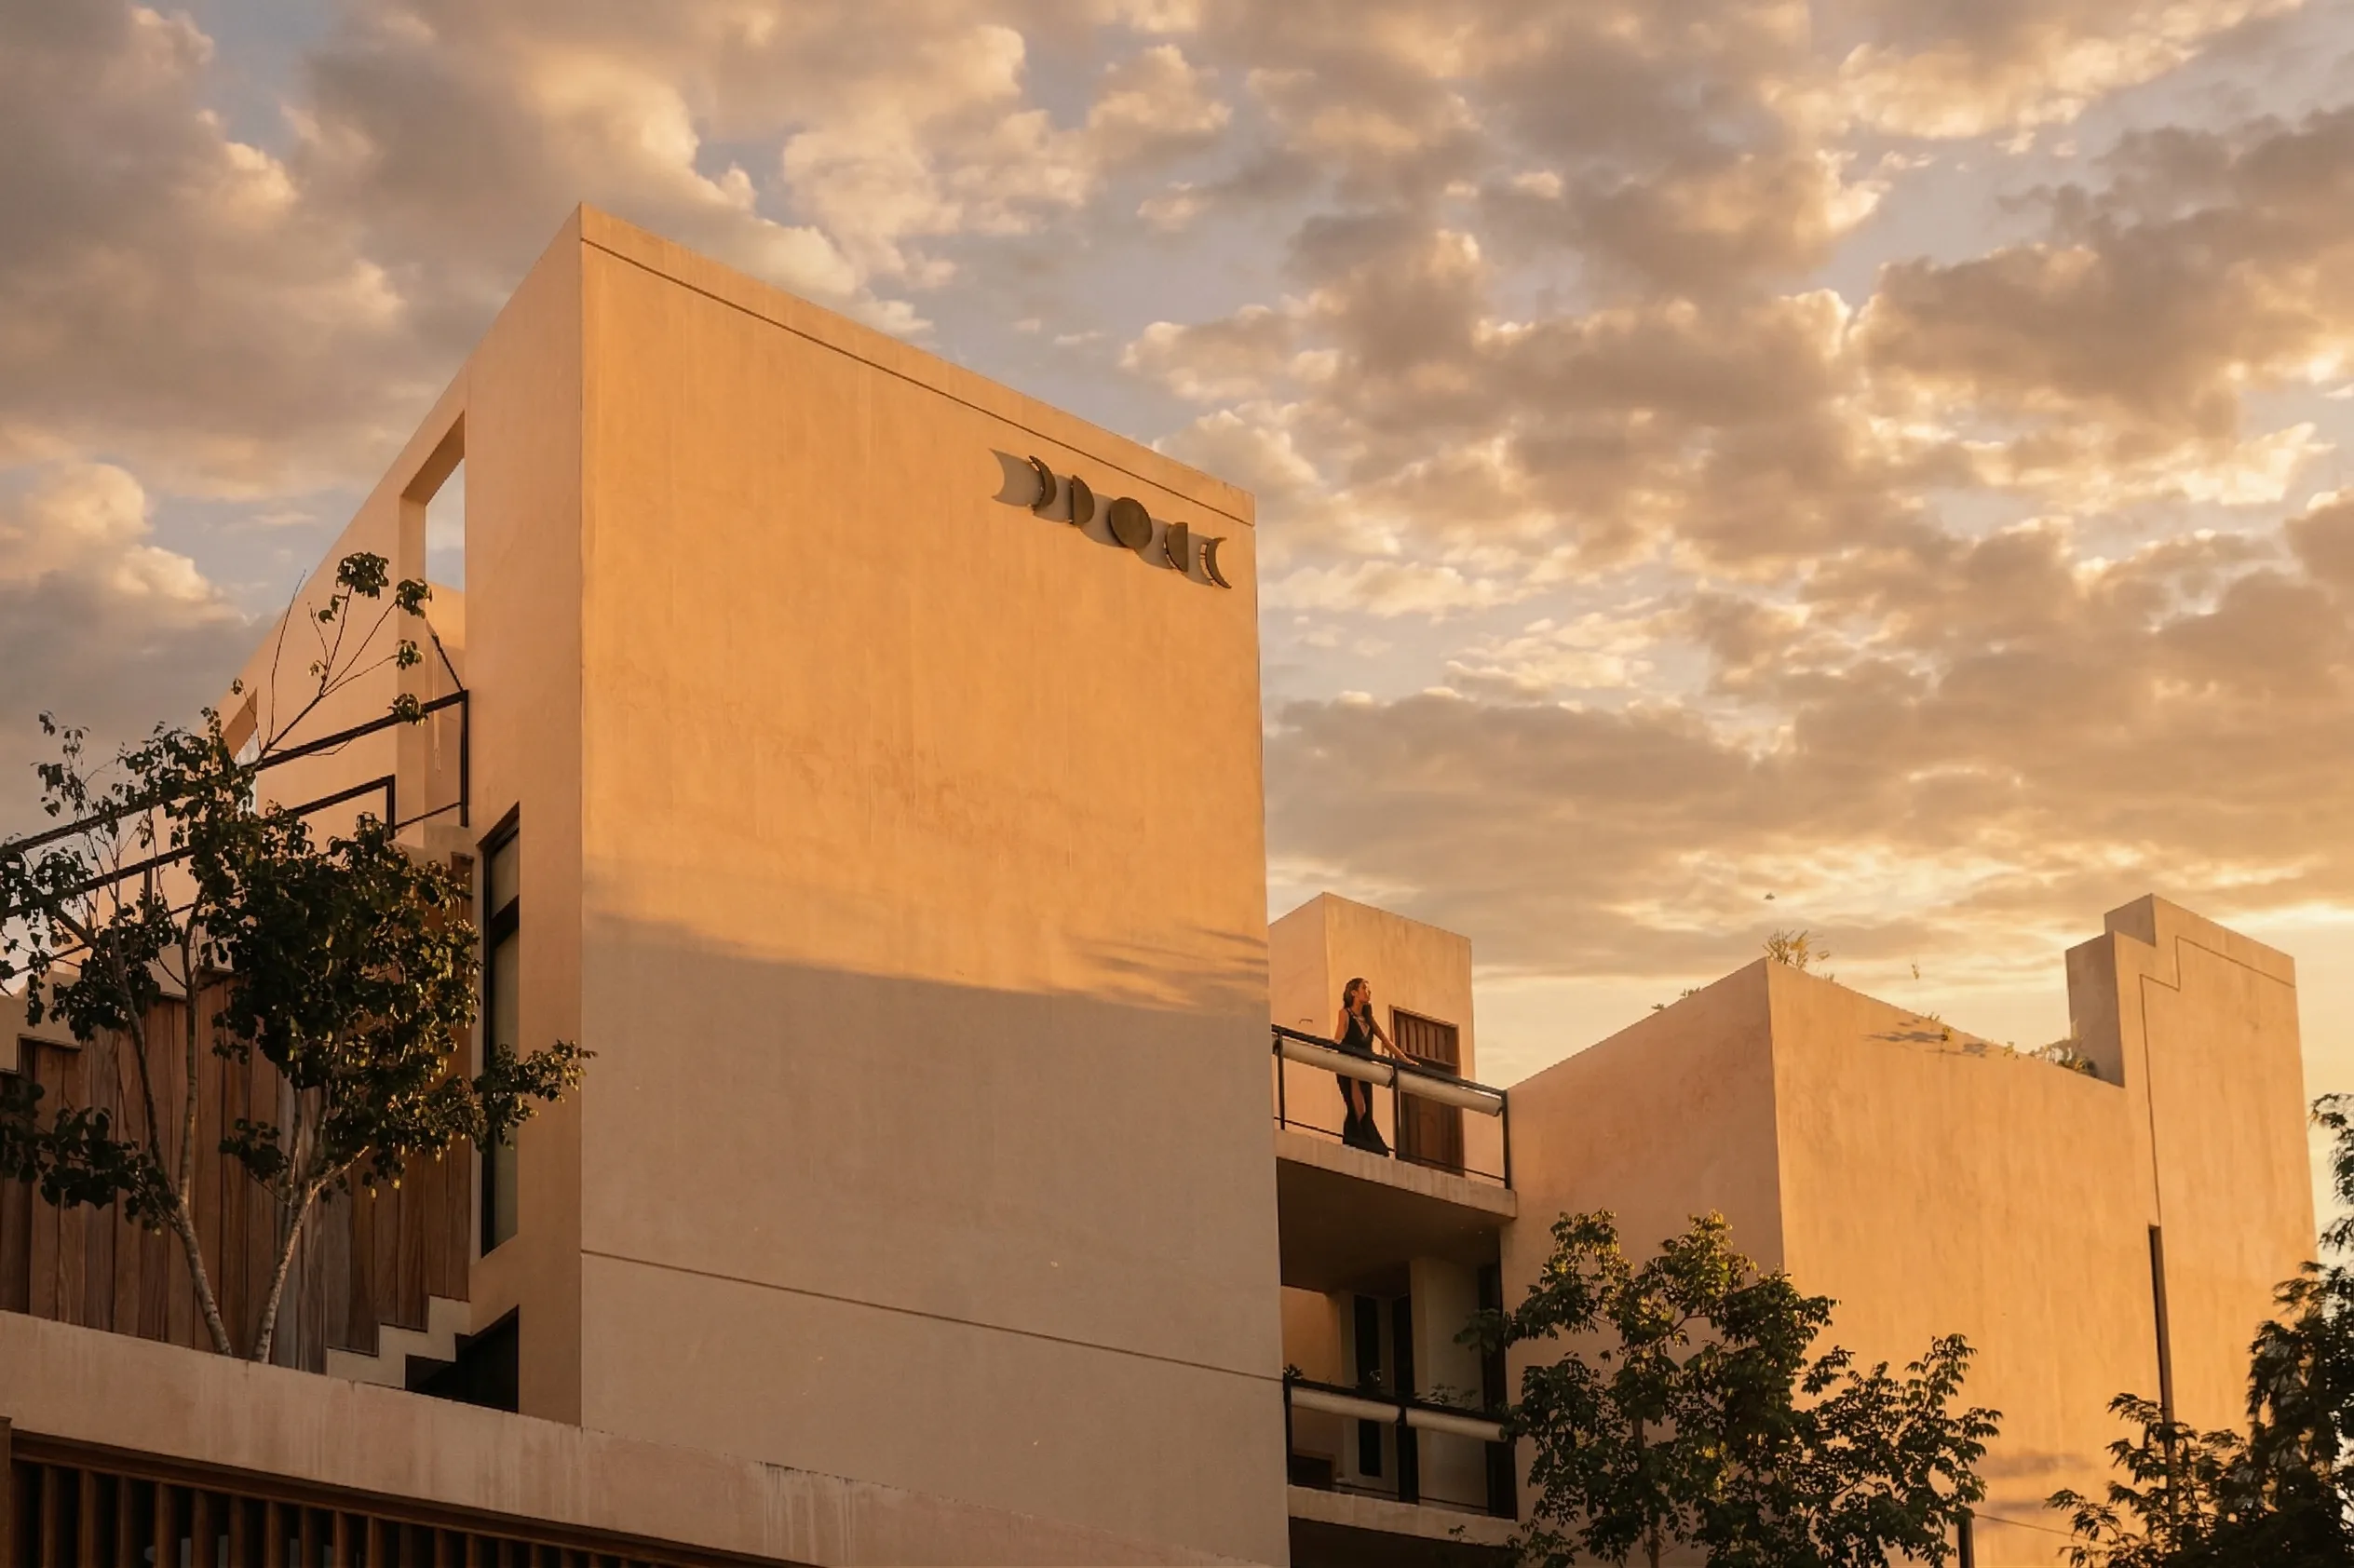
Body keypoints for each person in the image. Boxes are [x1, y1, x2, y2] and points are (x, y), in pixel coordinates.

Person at [1333, 977, 1400, 1156]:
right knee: (1358, 1108)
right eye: (1364, 988)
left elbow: (1386, 1041)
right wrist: (1331, 1050)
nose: (1368, 992)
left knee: (1366, 1109)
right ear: (1354, 992)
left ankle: (1362, 1144)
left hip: (1365, 1070)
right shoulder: (1345, 1013)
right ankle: (1359, 1143)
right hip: (1350, 1068)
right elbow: (1339, 1036)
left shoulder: (1368, 1018)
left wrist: (1406, 1060)